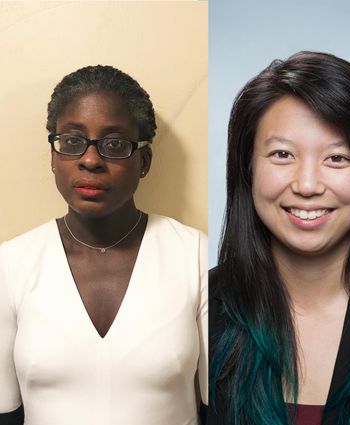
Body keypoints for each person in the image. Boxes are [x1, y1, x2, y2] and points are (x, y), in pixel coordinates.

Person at [209, 51, 350, 425]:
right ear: (247, 168)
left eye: (337, 158)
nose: (307, 185)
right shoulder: (198, 309)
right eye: (282, 154)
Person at [0, 65, 208, 425]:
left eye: (114, 144)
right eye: (71, 141)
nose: (91, 160)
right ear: (54, 157)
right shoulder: (10, 264)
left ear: (143, 161)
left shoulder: (196, 257)